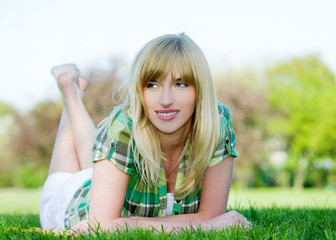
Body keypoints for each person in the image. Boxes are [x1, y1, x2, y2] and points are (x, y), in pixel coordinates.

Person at [39, 33, 252, 234]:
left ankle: (71, 91)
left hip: (105, 185)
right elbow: (102, 227)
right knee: (62, 179)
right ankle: (71, 96)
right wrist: (206, 226)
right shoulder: (123, 126)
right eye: (152, 84)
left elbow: (211, 215)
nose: (166, 99)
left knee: (93, 154)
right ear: (139, 90)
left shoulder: (216, 121)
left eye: (180, 84)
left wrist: (123, 224)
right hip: (75, 201)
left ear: (200, 89)